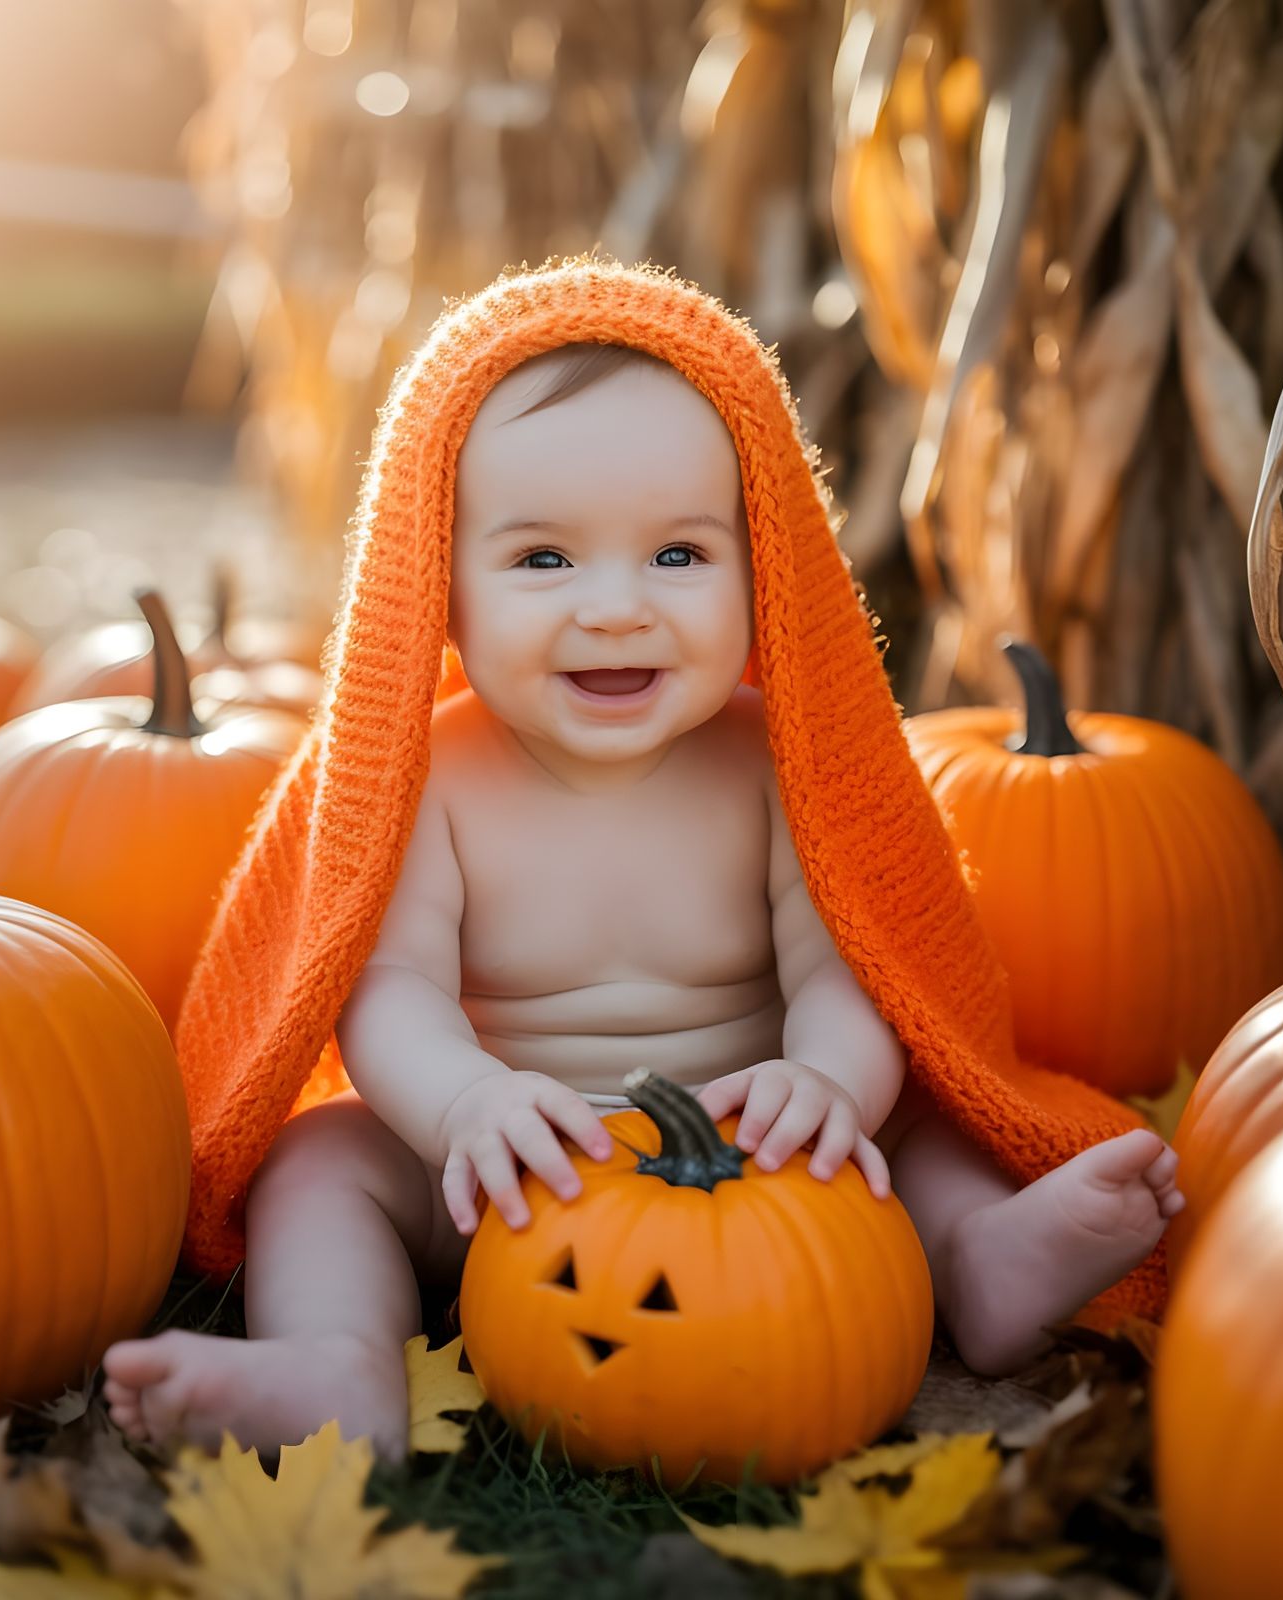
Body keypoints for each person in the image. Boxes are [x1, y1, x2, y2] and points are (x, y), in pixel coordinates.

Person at [103, 263, 1182, 1461]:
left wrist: (825, 1086)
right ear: (435, 588)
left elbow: (851, 972)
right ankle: (334, 1364)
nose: (615, 608)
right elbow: (390, 990)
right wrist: (465, 1105)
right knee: (324, 1158)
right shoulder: (430, 781)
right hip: (505, 1179)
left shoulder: (784, 766)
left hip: (773, 1177)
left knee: (919, 1130)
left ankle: (981, 1261)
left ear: (765, 567)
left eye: (677, 555)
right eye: (543, 561)